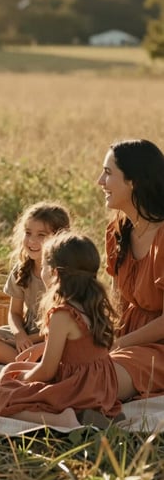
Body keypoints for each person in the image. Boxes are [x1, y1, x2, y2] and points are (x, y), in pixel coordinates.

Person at [0, 231, 122, 427]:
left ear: (54, 273)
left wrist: (23, 380)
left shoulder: (62, 314)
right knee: (12, 369)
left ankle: (63, 419)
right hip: (101, 388)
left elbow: (48, 371)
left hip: (76, 390)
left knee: (1, 399)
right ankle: (97, 412)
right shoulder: (92, 303)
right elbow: (80, 348)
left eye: (44, 265)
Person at [98, 139, 164, 402]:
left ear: (133, 182)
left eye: (108, 172)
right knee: (74, 364)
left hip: (158, 346)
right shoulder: (118, 230)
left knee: (101, 380)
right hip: (127, 335)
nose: (100, 181)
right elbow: (117, 301)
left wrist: (119, 345)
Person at [0, 202, 70, 364]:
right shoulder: (23, 269)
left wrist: (27, 341)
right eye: (28, 232)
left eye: (41, 235)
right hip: (26, 336)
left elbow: (65, 324)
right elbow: (14, 313)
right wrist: (19, 336)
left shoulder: (64, 273)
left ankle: (34, 364)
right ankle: (34, 365)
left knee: (65, 351)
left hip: (55, 338)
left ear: (59, 238)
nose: (32, 240)